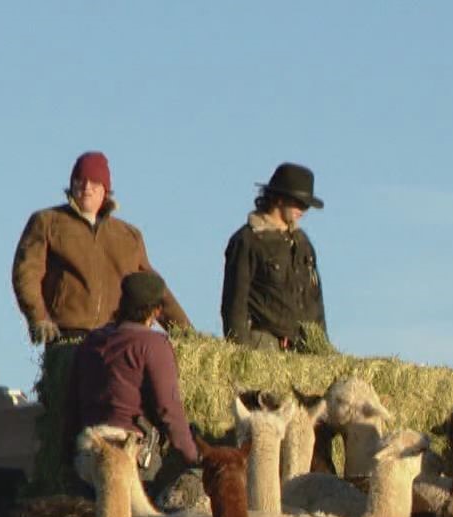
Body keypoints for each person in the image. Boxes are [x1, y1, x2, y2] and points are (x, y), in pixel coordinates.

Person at [12, 151, 191, 344]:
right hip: (68, 333)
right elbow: (26, 273)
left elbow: (151, 288)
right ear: (71, 185)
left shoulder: (128, 235)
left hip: (114, 336)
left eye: (94, 182)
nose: (86, 187)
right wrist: (39, 318)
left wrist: (185, 332)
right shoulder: (47, 222)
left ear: (105, 189)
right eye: (80, 180)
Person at [60, 270, 199, 489]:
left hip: (87, 456)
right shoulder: (152, 345)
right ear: (156, 311)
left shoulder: (90, 342)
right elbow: (168, 409)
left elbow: (71, 407)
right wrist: (194, 456)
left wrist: (66, 456)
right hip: (128, 455)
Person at [221, 162, 327, 351]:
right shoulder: (247, 240)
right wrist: (242, 356)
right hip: (262, 346)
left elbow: (316, 304)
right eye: (298, 202)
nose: (303, 209)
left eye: (307, 205)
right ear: (279, 199)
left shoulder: (304, 245)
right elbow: (234, 305)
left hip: (302, 352)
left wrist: (322, 350)